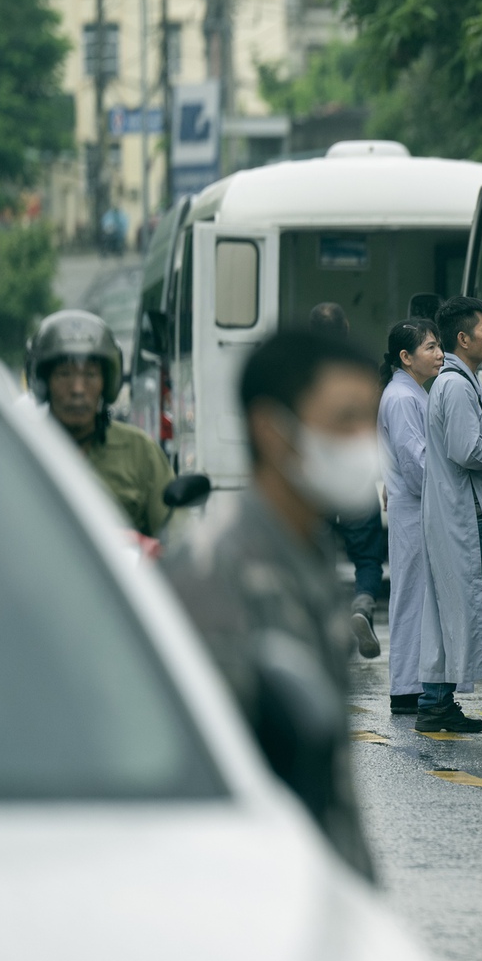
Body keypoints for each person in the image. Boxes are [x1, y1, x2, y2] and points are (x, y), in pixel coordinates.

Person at [162, 328, 381, 877]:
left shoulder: (305, 552)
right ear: (272, 430)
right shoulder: (215, 579)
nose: (364, 442)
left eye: (370, 422)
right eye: (344, 420)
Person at [416, 297, 482, 734]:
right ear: (463, 338)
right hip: (464, 512)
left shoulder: (459, 379)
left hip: (458, 510)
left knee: (454, 609)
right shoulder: (456, 385)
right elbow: (469, 451)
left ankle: (437, 703)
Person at [29, 310, 172, 538]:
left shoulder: (139, 451)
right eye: (64, 374)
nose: (77, 389)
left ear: (107, 383)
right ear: (44, 382)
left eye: (90, 375)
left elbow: (174, 531)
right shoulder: (22, 449)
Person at [305, 302, 387, 659]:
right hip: (353, 475)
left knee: (313, 551)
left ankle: (319, 622)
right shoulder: (361, 368)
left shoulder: (300, 370)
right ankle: (361, 607)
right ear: (347, 327)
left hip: (313, 477)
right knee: (367, 556)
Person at [378, 317, 442, 716]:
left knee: (418, 597)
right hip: (415, 508)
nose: (439, 354)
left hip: (416, 507)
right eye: (431, 347)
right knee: (412, 597)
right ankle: (407, 687)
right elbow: (416, 463)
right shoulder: (402, 398)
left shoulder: (410, 391)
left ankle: (414, 684)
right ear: (406, 357)